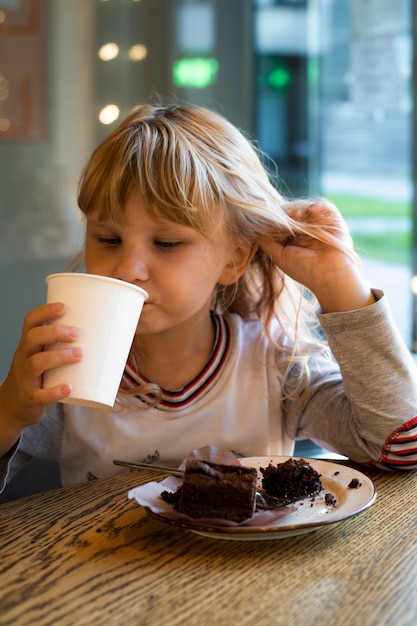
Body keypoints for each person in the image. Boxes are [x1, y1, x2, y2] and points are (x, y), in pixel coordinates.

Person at [1, 102, 417, 493]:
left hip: (246, 570)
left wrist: (341, 287)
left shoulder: (278, 368)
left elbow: (400, 446)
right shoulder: (69, 374)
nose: (128, 268)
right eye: (108, 238)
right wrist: (10, 412)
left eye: (165, 243)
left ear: (233, 259)